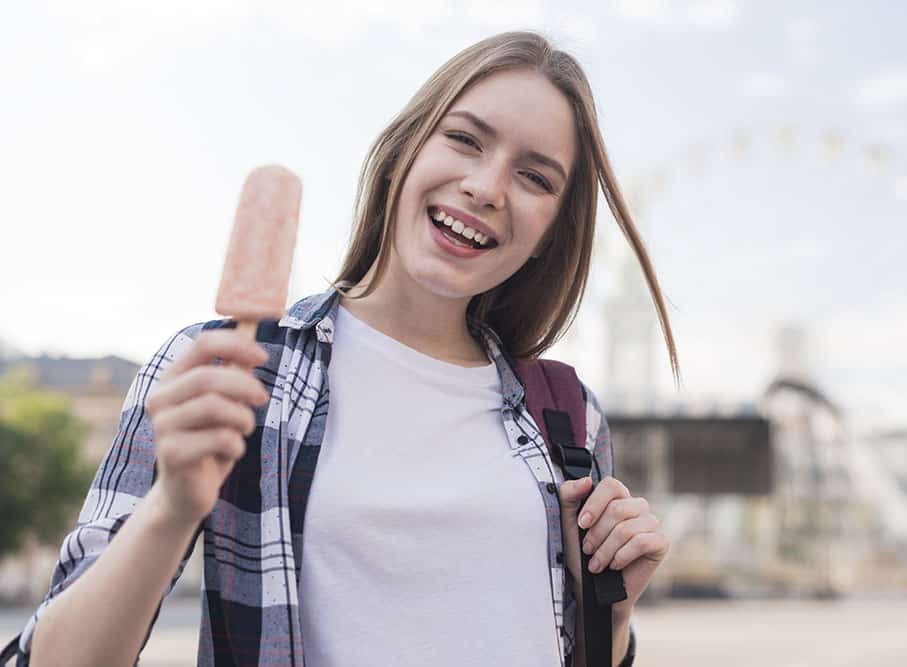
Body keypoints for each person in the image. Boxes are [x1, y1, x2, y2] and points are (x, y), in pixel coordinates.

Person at [20, 30, 678, 667]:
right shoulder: (225, 370)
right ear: (405, 150)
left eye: (535, 177)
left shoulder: (566, 414)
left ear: (548, 234)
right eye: (463, 139)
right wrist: (169, 509)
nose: (487, 186)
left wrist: (610, 614)